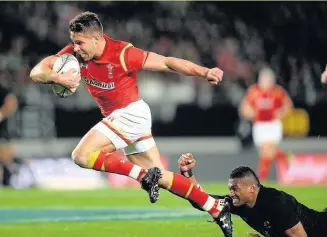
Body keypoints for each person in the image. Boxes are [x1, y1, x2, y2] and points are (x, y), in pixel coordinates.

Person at [30, 11, 233, 236]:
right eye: (73, 43)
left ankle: (142, 176)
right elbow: (37, 71)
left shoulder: (122, 53)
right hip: (121, 119)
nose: (75, 48)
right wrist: (57, 78)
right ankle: (215, 207)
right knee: (163, 177)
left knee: (81, 155)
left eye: (80, 42)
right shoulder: (73, 55)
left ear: (97, 38)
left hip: (131, 114)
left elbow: (167, 63)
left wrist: (205, 72)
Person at [178, 153, 327, 237]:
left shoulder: (277, 203)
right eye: (230, 188)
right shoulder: (240, 203)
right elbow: (202, 201)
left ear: (252, 188)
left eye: (235, 188)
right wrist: (187, 173)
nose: (231, 193)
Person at [239, 68, 293, 181]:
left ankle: (261, 178)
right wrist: (250, 113)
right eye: (264, 80)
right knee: (265, 152)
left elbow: (288, 106)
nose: (266, 82)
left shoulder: (278, 91)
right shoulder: (253, 91)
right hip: (259, 125)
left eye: (268, 80)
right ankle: (282, 157)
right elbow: (244, 108)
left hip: (273, 124)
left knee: (267, 150)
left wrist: (281, 113)